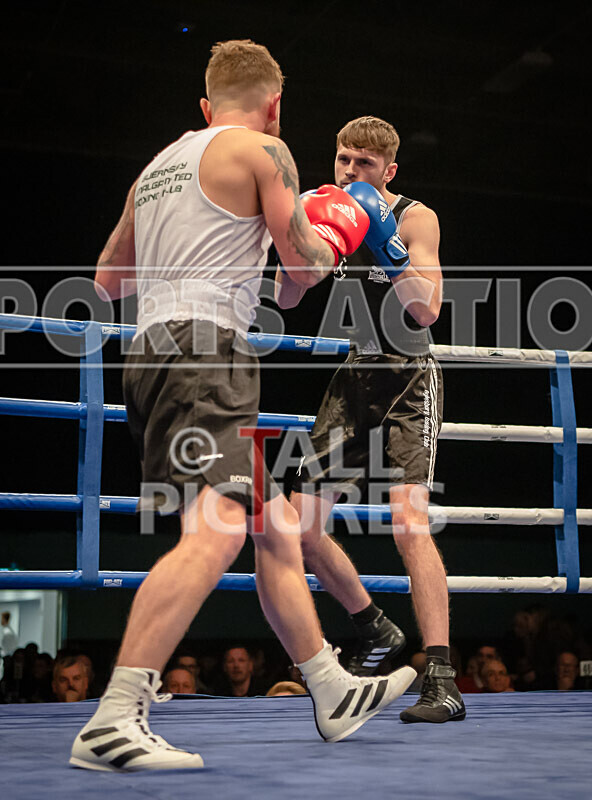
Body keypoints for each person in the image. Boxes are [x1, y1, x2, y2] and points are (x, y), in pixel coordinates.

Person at [70, 42, 415, 772]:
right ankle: (115, 714)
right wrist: (345, 228)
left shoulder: (158, 167)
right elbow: (302, 268)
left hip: (151, 347)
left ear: (205, 105)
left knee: (270, 525)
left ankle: (327, 684)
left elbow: (106, 279)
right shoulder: (267, 150)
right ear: (274, 106)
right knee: (221, 526)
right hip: (207, 352)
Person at [278, 115, 464, 723]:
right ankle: (374, 627)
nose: (350, 173)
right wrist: (291, 238)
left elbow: (428, 308)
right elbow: (286, 296)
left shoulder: (415, 217)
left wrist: (386, 244)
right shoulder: (326, 211)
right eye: (343, 161)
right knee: (298, 524)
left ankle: (441, 677)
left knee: (408, 524)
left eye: (363, 164)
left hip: (409, 376)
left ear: (388, 170)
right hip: (355, 376)